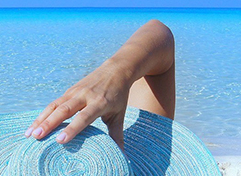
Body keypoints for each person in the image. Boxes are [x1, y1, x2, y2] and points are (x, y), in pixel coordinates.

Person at [23, 19, 176, 149]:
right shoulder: (145, 153)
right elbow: (160, 34)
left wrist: (115, 71)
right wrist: (117, 72)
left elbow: (159, 32)